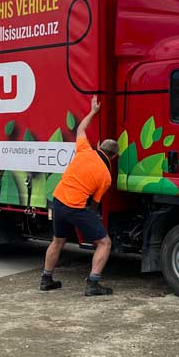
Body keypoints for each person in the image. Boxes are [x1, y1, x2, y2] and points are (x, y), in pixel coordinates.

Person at [41, 96, 117, 297]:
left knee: (57, 241)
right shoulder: (106, 177)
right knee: (104, 243)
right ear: (114, 157)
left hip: (58, 201)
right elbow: (93, 205)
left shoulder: (84, 150)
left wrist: (93, 111)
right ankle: (93, 284)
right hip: (76, 207)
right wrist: (89, 224)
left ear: (100, 146)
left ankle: (46, 279)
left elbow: (80, 129)